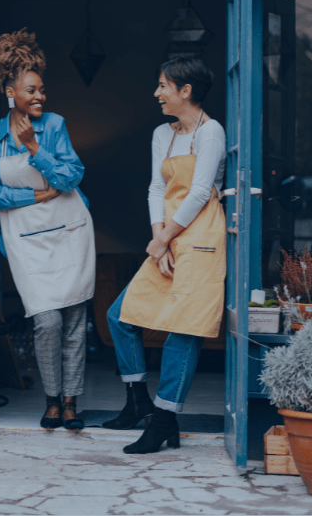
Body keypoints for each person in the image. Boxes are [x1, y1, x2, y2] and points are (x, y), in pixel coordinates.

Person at [103, 57, 226, 454]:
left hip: (202, 237)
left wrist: (165, 239)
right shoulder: (162, 133)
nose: (156, 93)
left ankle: (164, 420)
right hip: (169, 239)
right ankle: (137, 399)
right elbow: (157, 189)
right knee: (119, 316)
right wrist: (160, 242)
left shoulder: (211, 132)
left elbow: (198, 192)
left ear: (184, 91)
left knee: (184, 330)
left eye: (162, 86)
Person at [0, 29, 95, 430]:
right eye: (31, 90)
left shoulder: (54, 126)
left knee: (75, 323)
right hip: (25, 239)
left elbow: (71, 176)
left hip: (69, 232)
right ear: (10, 91)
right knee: (47, 321)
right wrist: (37, 198)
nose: (40, 97)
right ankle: (51, 397)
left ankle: (69, 402)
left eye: (42, 90)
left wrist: (35, 149)